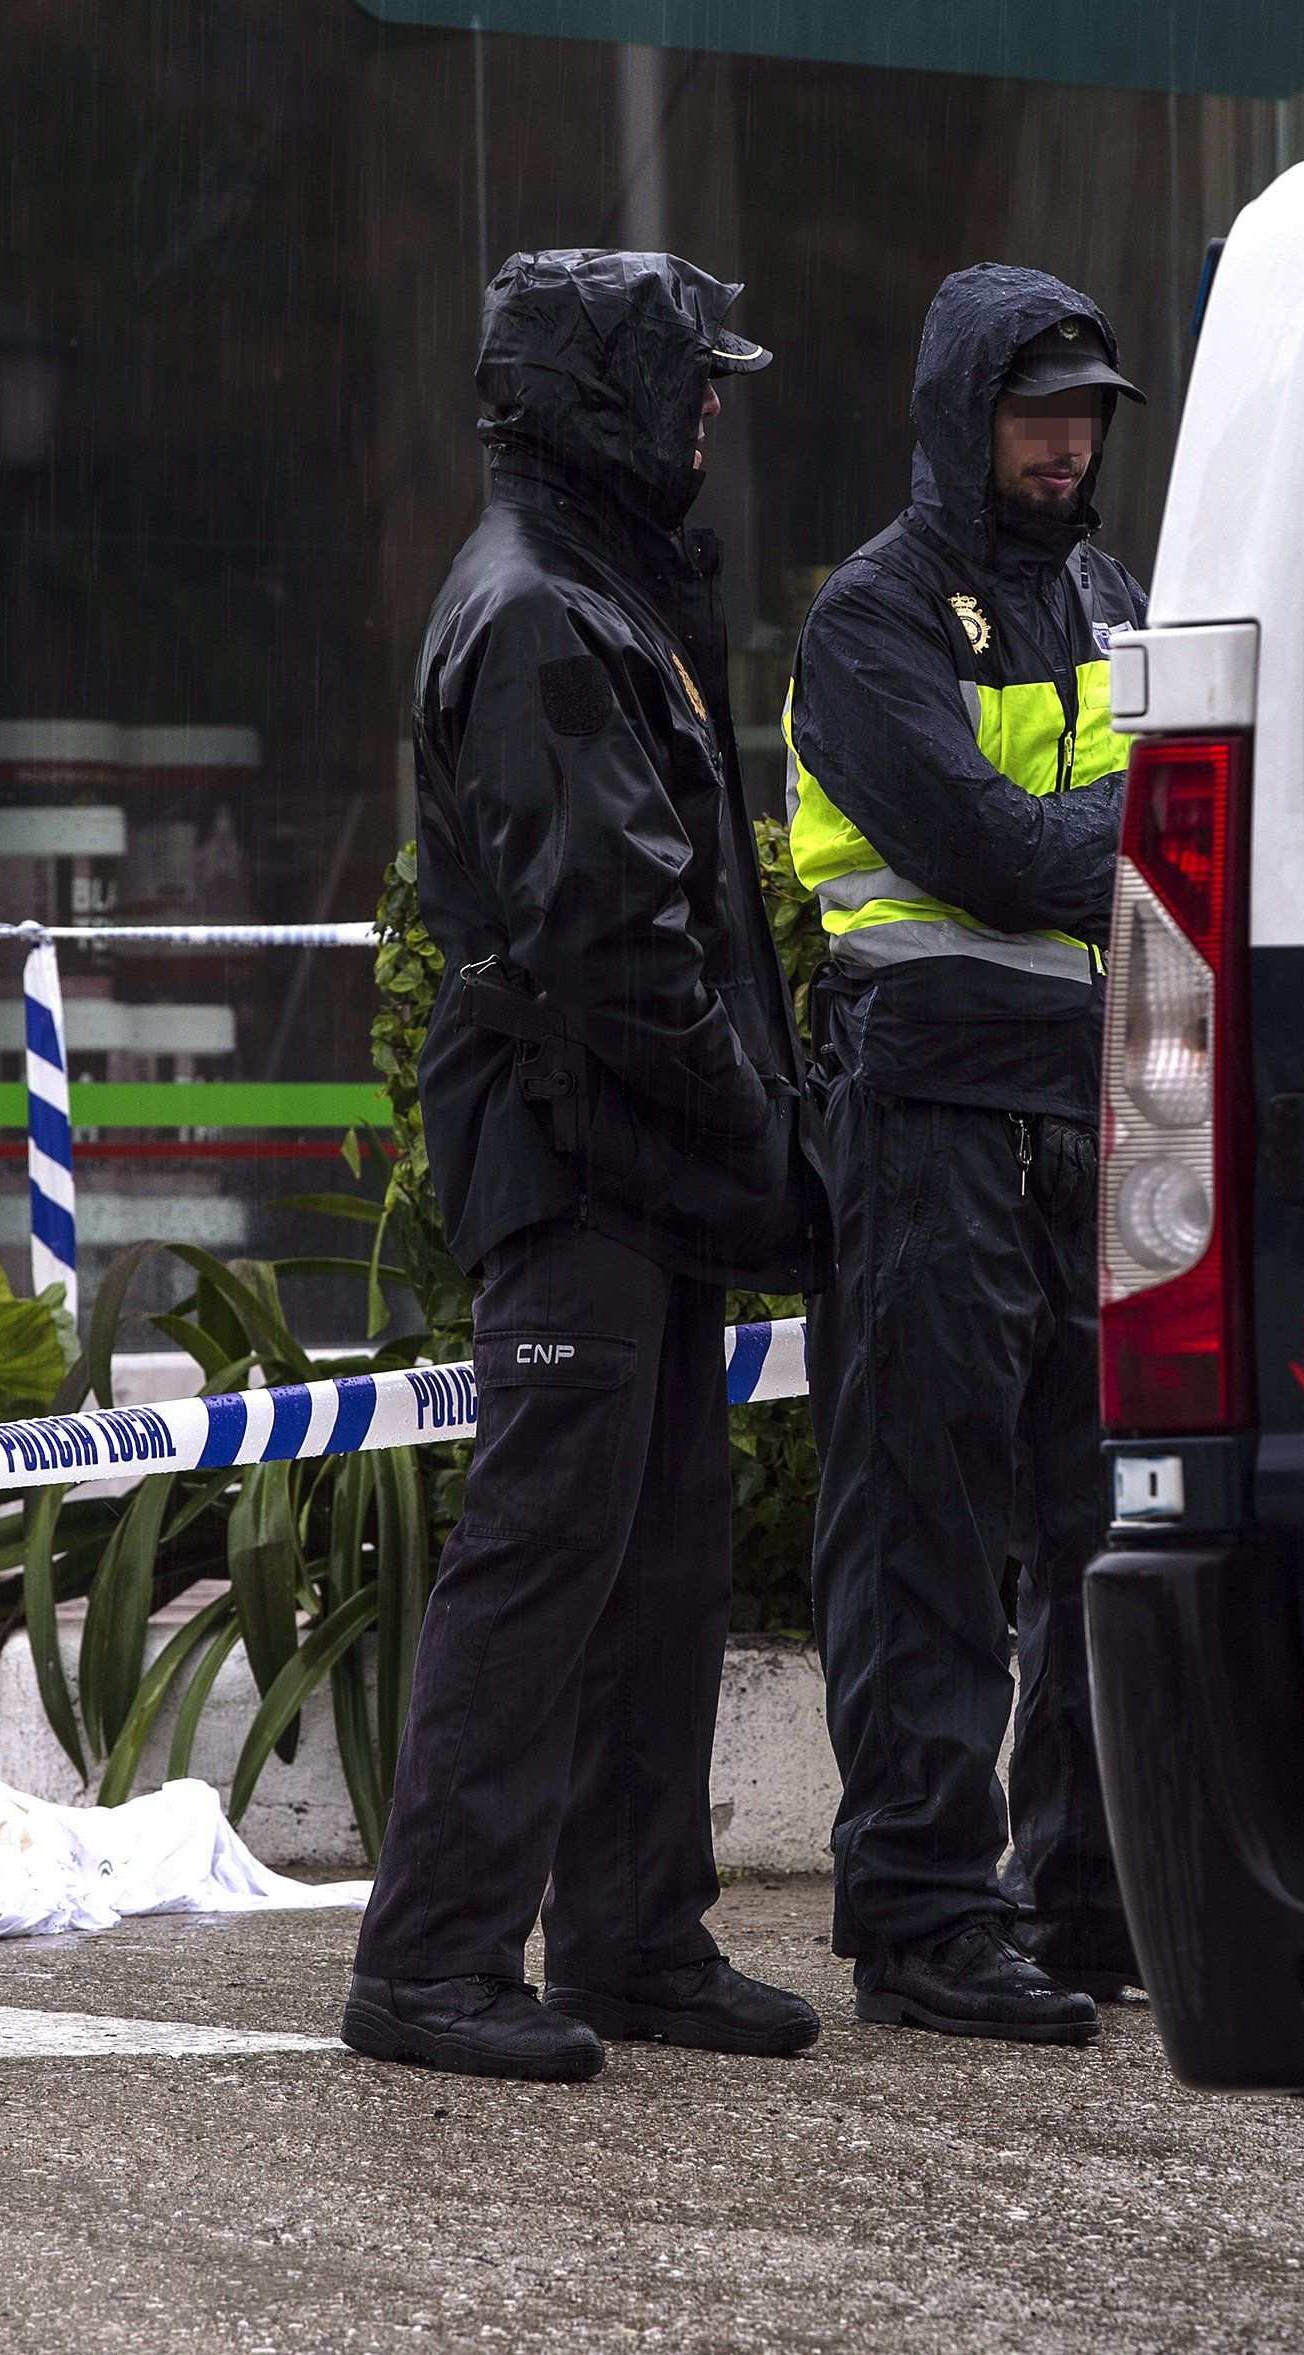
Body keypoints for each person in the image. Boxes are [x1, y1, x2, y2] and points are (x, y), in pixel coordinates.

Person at [343, 249, 821, 2085]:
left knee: (664, 1556)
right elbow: (618, 933)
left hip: (634, 1153)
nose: (713, 409)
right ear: (605, 396)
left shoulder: (600, 588)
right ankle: (434, 1959)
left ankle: (633, 1935)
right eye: (691, 379)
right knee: (548, 1551)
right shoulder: (544, 609)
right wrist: (753, 1131)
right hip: (578, 1151)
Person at [782, 265, 1149, 2044]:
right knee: (925, 1527)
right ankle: (926, 1914)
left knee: (1099, 1518)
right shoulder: (870, 620)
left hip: (1095, 1107)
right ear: (958, 418)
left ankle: (1083, 1897)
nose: (1066, 444)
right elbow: (996, 855)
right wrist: (1134, 827)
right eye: (1035, 413)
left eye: (1084, 414)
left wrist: (1098, 834)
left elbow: (1105, 829)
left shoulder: (1105, 591)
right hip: (925, 1111)